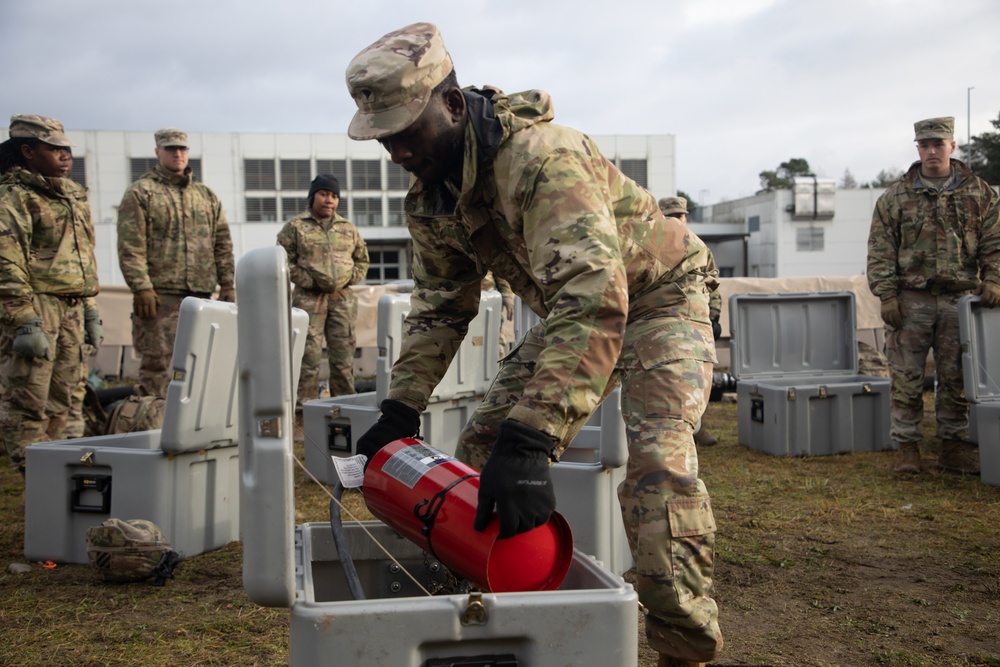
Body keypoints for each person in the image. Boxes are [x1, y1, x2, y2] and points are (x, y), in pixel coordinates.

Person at [347, 23, 721, 667]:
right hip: (578, 311)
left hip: (660, 299)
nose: (398, 152)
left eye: (407, 131)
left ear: (454, 105)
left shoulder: (543, 158)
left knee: (658, 470)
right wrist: (399, 409)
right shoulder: (433, 197)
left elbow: (596, 296)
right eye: (385, 139)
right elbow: (441, 304)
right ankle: (501, 618)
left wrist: (536, 439)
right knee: (482, 451)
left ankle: (684, 648)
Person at [867, 116, 1000, 475]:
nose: (931, 151)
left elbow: (994, 244)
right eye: (924, 145)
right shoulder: (896, 196)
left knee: (956, 377)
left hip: (961, 301)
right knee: (906, 376)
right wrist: (888, 296)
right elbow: (881, 249)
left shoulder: (980, 193)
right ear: (917, 148)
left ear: (952, 146)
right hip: (912, 301)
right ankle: (908, 448)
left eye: (938, 144)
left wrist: (995, 280)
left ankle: (953, 447)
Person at [0, 114, 102, 474]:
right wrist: (25, 320)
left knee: (71, 397)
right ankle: (37, 484)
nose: (64, 157)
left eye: (67, 150)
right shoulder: (14, 197)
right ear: (27, 151)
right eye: (53, 149)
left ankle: (69, 476)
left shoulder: (72, 196)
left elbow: (84, 257)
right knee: (28, 400)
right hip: (37, 308)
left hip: (73, 306)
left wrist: (90, 308)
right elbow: (6, 262)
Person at [117, 128, 236, 399]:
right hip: (160, 299)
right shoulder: (141, 193)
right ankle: (155, 432)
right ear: (158, 151)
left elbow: (222, 243)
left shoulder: (205, 196)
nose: (177, 154)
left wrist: (228, 284)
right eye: (171, 149)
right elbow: (130, 246)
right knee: (158, 370)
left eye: (182, 149)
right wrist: (141, 287)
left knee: (202, 366)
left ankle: (196, 433)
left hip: (202, 298)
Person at [277, 174, 369, 404]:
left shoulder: (348, 228)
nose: (329, 200)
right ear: (313, 196)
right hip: (309, 301)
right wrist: (309, 281)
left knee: (343, 359)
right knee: (308, 358)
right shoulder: (295, 227)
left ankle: (347, 406)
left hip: (343, 300)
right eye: (324, 194)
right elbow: (281, 261)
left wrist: (348, 278)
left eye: (334, 196)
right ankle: (304, 408)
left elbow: (362, 260)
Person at [659, 196, 722, 447]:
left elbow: (713, 283)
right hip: (664, 323)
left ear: (685, 217)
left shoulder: (698, 247)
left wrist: (715, 317)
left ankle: (697, 428)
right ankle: (671, 434)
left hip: (695, 323)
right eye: (671, 216)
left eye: (679, 216)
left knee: (697, 378)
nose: (677, 220)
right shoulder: (654, 245)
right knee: (665, 380)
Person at [480, 270, 515, 357]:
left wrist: (506, 294)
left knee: (495, 346)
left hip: (490, 305)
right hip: (461, 303)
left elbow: (498, 270)